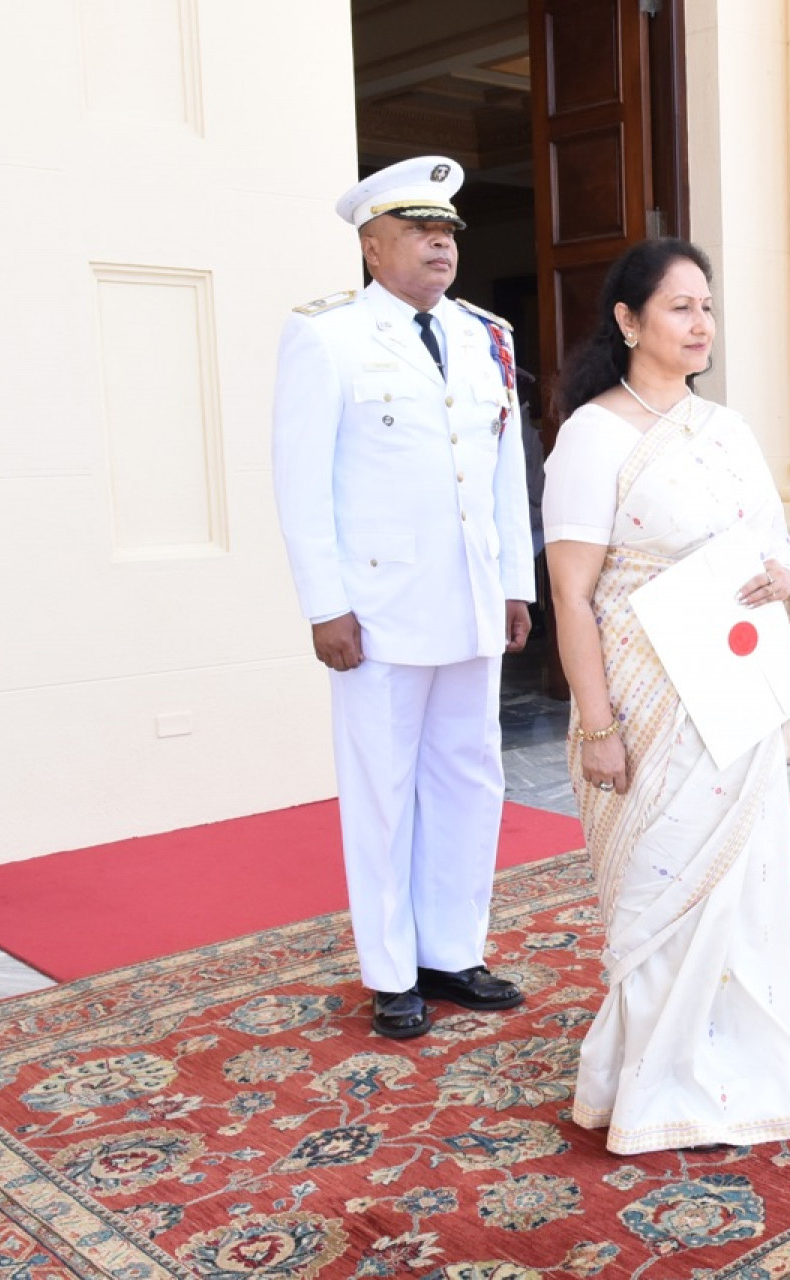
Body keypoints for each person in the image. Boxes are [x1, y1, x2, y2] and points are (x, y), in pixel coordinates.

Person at [545, 238, 790, 1154]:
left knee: (745, 891)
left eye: (707, 306)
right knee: (661, 893)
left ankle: (749, 1072)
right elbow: (572, 595)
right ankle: (656, 1086)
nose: (701, 324)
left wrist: (782, 579)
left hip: (734, 697)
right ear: (628, 321)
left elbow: (774, 547)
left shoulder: (728, 429)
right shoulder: (593, 435)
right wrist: (598, 727)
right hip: (648, 703)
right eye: (679, 306)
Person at [272, 155, 534, 1040]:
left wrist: (514, 583)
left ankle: (452, 951)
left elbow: (502, 470)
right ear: (372, 247)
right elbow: (301, 484)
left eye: (448, 230)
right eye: (419, 230)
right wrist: (325, 605)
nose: (440, 243)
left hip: (470, 602)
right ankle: (391, 972)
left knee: (470, 778)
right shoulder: (328, 338)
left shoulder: (486, 335)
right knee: (383, 790)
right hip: (378, 611)